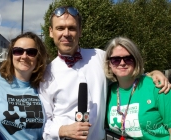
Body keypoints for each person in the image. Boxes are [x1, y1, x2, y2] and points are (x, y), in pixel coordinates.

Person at [39, 6, 170, 140]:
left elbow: (125, 72)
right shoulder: (46, 74)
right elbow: (42, 122)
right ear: (51, 32)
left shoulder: (99, 57)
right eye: (60, 28)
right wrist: (62, 130)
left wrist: (152, 73)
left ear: (80, 31)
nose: (66, 33)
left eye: (72, 28)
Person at [0, 32, 48, 140]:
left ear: (39, 57)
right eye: (18, 51)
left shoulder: (45, 88)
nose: (24, 56)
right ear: (11, 55)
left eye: (31, 52)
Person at [104, 37, 171, 139]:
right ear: (109, 64)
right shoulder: (108, 92)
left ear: (136, 60)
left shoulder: (157, 87)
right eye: (116, 60)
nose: (122, 63)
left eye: (128, 58)